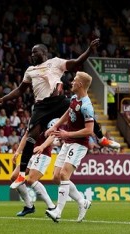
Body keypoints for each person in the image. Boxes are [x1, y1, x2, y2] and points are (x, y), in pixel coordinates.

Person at [0, 38, 119, 189]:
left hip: (58, 101)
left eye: (36, 52)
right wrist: (5, 98)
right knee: (30, 137)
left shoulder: (55, 62)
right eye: (32, 53)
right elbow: (20, 90)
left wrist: (88, 51)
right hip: (41, 106)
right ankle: (22, 174)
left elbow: (75, 62)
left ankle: (101, 138)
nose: (33, 55)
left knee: (82, 110)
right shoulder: (30, 70)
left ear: (44, 53)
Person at [45, 71, 94, 223]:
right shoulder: (74, 98)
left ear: (80, 84)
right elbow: (68, 113)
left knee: (65, 175)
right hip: (68, 141)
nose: (72, 82)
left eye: (74, 80)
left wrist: (68, 135)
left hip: (79, 143)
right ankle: (82, 202)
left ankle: (58, 211)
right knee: (56, 177)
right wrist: (56, 127)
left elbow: (89, 130)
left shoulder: (86, 106)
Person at [11, 119, 58, 217]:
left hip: (43, 154)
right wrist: (17, 151)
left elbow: (52, 136)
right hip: (30, 153)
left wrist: (42, 146)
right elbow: (26, 136)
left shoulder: (49, 119)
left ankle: (52, 207)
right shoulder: (34, 119)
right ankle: (29, 206)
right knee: (15, 176)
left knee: (31, 180)